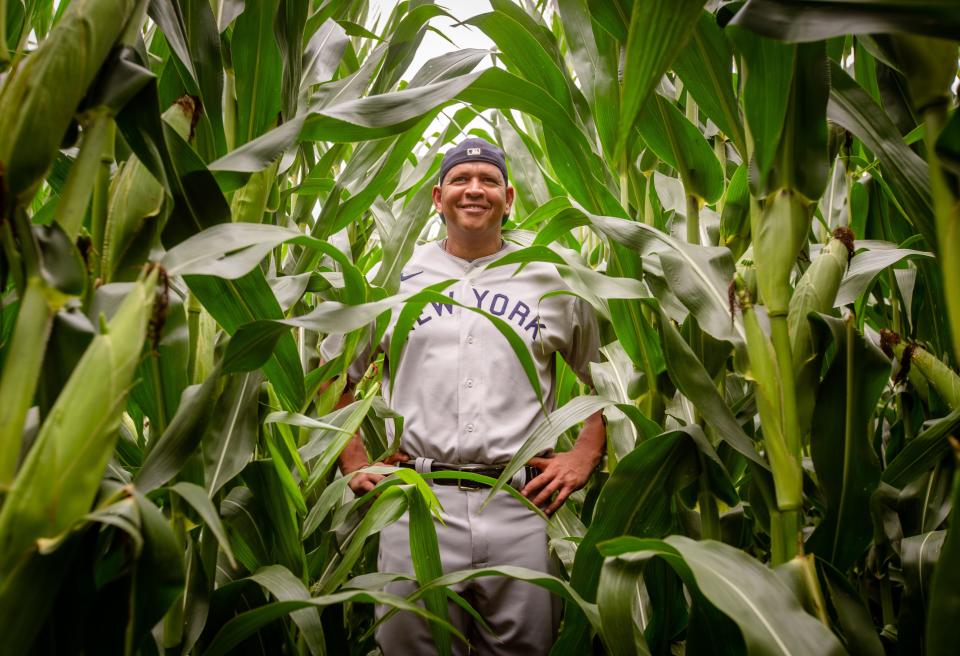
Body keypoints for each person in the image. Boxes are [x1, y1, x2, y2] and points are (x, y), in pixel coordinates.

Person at [323, 137, 605, 655]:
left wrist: (586, 453)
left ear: (509, 196)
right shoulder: (395, 277)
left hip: (522, 505)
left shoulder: (550, 277)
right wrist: (354, 462)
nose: (474, 189)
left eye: (488, 180)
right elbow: (333, 378)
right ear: (437, 197)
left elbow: (610, 376)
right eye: (460, 179)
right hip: (417, 507)